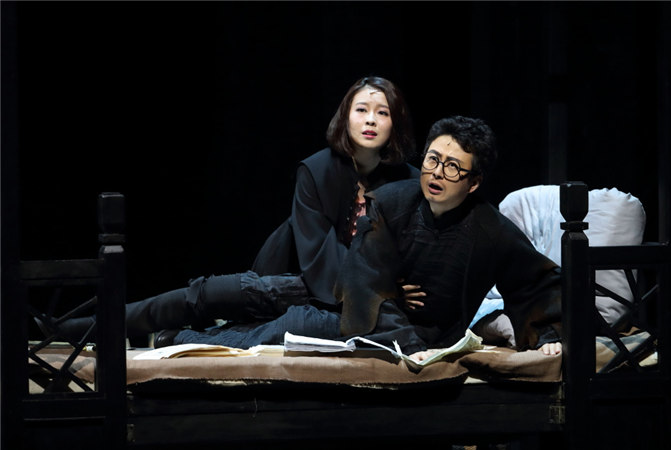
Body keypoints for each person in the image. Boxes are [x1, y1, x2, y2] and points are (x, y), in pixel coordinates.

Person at [39, 76, 419, 345]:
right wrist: (375, 286)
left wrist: (386, 289)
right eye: (361, 109)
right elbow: (317, 254)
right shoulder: (317, 170)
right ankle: (78, 329)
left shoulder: (409, 182)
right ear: (346, 116)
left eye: (382, 112)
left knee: (243, 329)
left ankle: (171, 339)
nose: (371, 120)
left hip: (348, 306)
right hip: (302, 278)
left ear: (395, 122)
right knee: (202, 295)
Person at [170, 116, 562, 359]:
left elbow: (537, 282)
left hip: (429, 336)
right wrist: (406, 344)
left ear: (474, 182)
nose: (437, 173)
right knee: (286, 322)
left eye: (453, 167)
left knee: (291, 325)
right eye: (433, 159)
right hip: (372, 321)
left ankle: (179, 338)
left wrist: (546, 334)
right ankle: (178, 339)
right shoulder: (393, 201)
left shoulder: (490, 229)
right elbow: (366, 278)